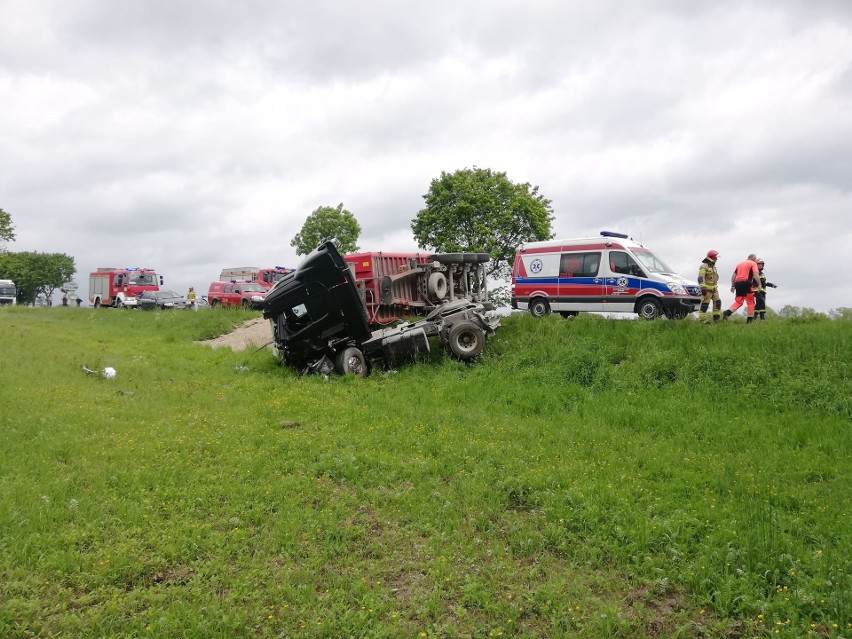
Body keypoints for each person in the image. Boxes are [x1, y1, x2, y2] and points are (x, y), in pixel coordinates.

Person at [723, 254, 761, 323]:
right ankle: (749, 321)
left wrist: (733, 286)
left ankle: (727, 312)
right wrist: (759, 284)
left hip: (738, 283)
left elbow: (734, 275)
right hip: (747, 283)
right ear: (754, 259)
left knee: (738, 302)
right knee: (750, 302)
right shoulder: (753, 263)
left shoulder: (740, 264)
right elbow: (755, 274)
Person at [697, 250, 722, 323]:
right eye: (716, 257)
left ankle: (716, 319)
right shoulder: (704, 266)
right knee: (705, 305)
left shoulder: (713, 266)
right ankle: (703, 320)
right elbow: (701, 278)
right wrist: (703, 288)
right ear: (712, 257)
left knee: (717, 303)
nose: (717, 259)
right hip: (707, 290)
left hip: (714, 289)